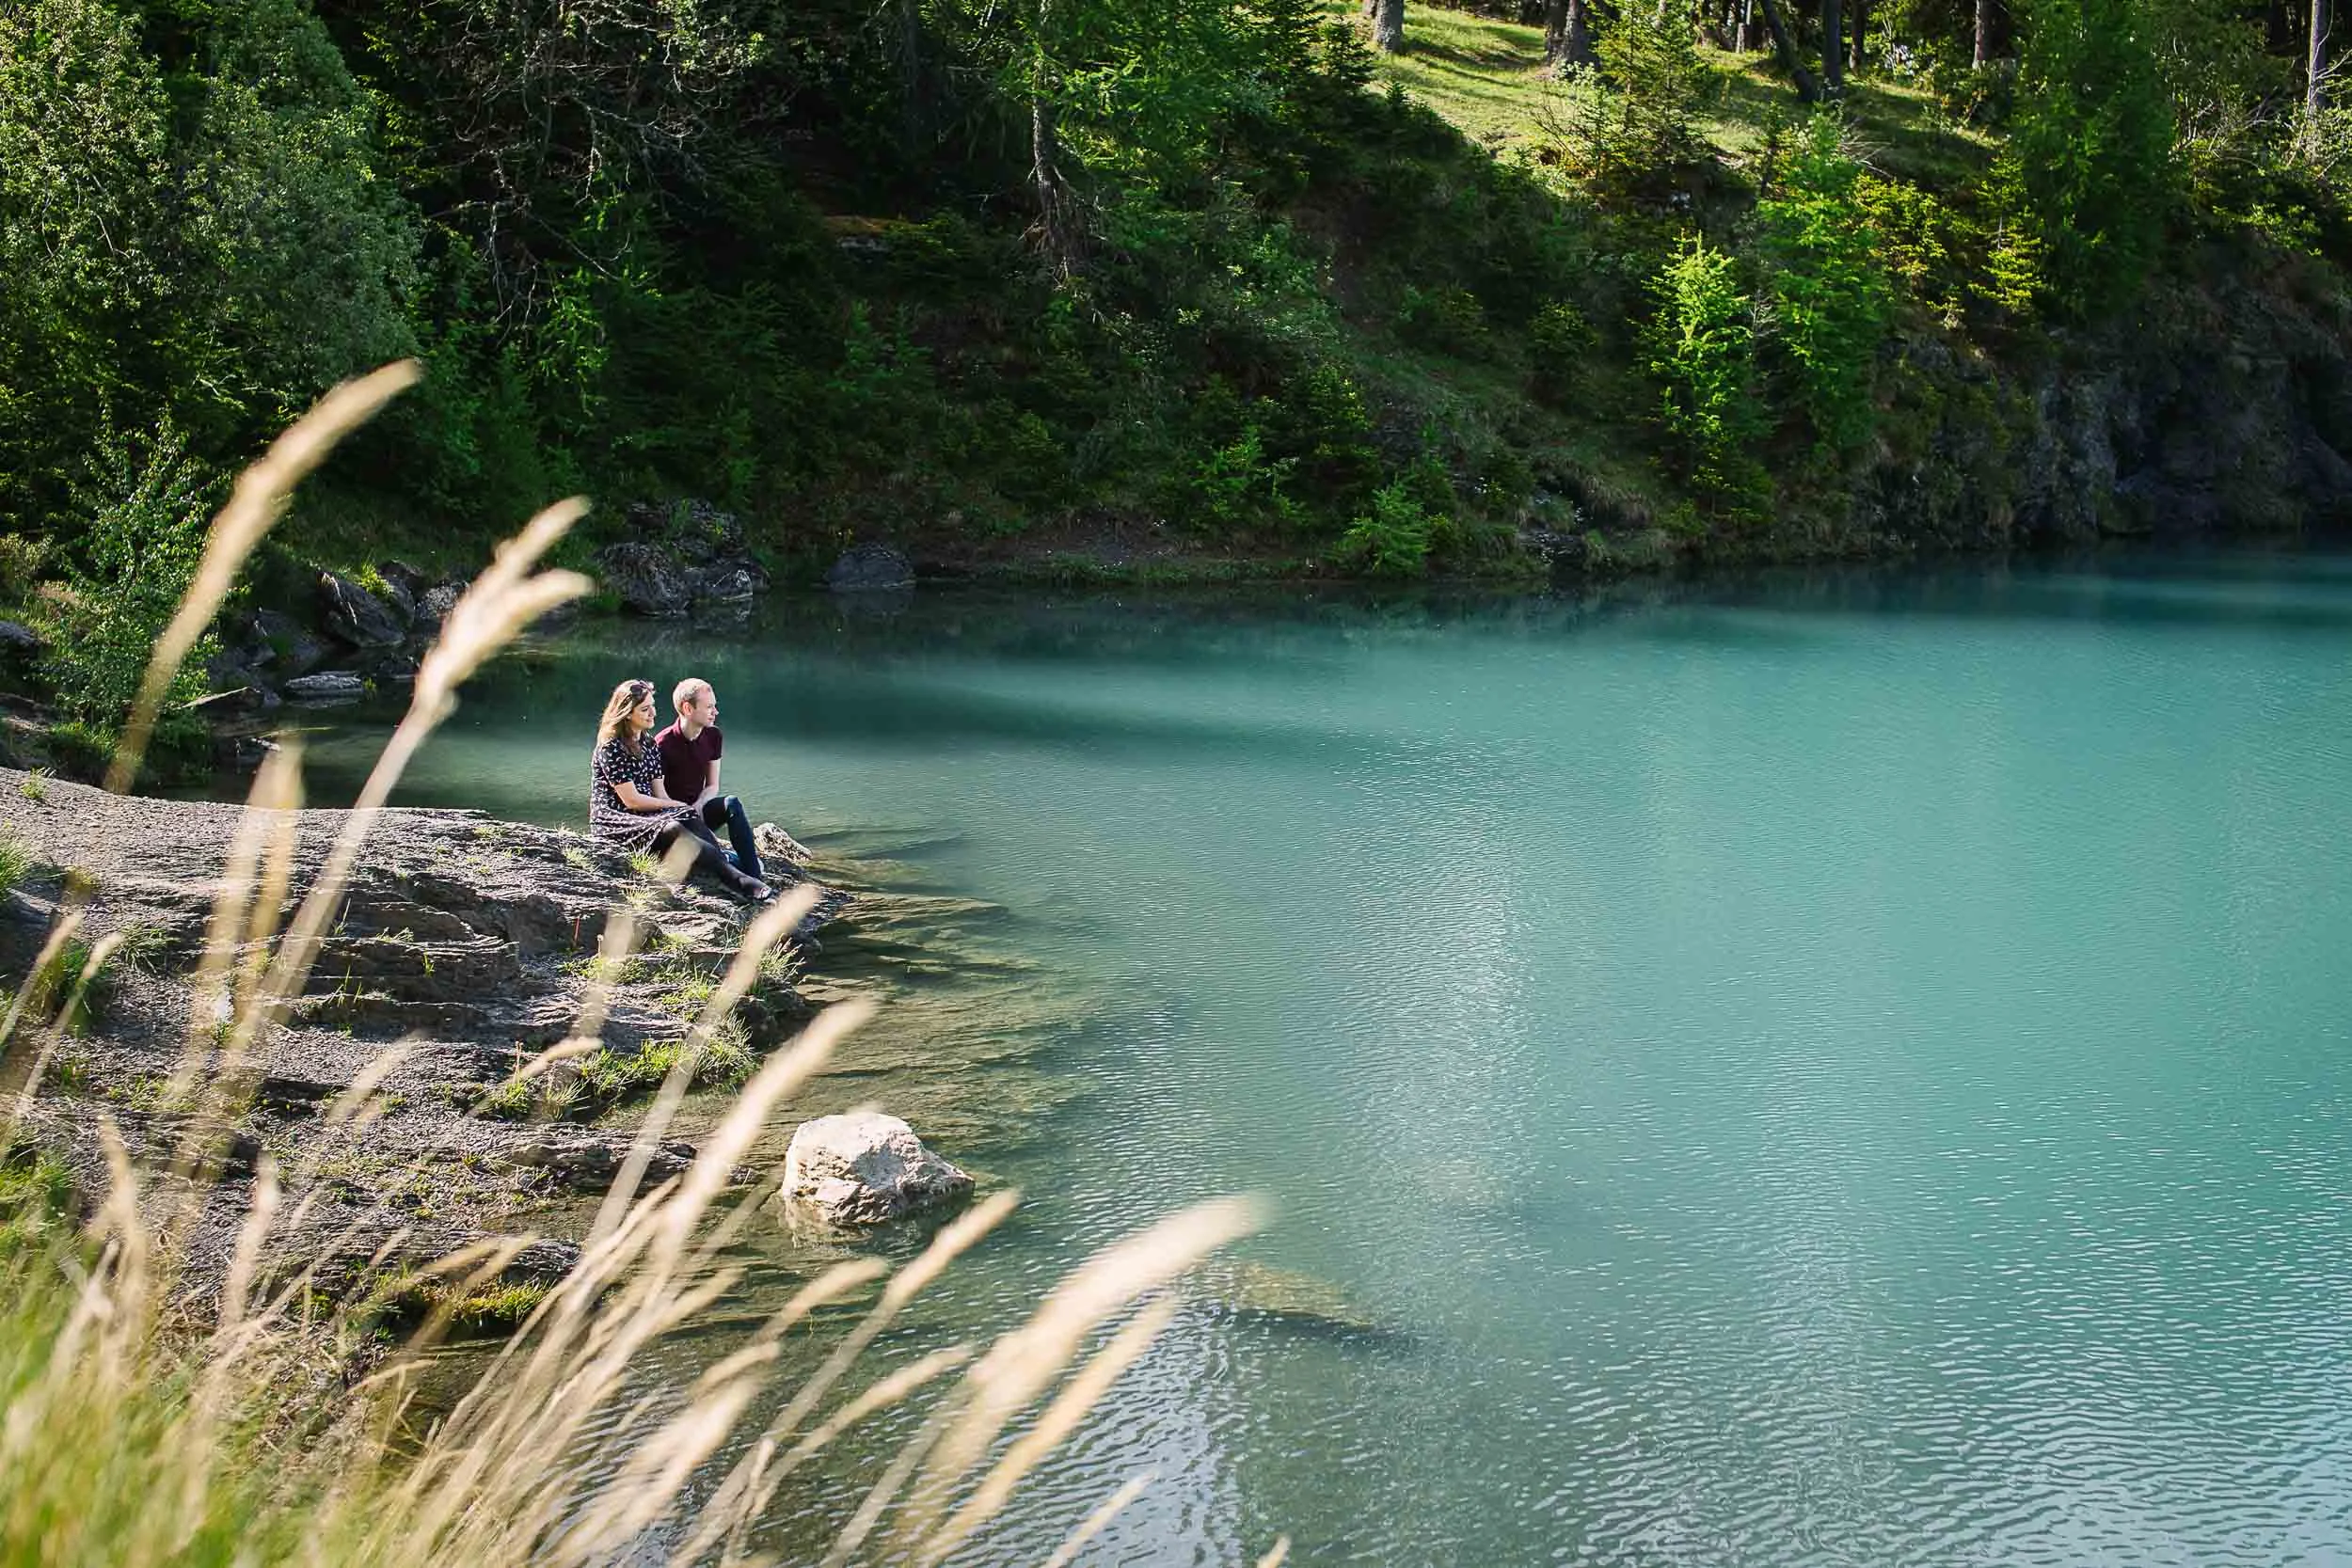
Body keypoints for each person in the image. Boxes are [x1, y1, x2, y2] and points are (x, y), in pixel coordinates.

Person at [589, 678, 772, 901]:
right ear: (627, 713)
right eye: (645, 709)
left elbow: (660, 794)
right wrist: (675, 806)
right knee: (673, 825)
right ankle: (736, 879)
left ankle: (732, 866)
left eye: (653, 707)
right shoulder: (612, 747)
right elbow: (632, 801)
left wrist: (681, 808)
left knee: (685, 815)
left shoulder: (648, 743)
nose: (653, 714)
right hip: (617, 819)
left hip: (645, 814)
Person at [654, 677, 763, 884]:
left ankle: (754, 874)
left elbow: (712, 785)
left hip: (699, 810)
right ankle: (734, 863)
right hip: (675, 821)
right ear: (687, 708)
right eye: (709, 707)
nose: (716, 712)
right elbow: (659, 796)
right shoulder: (661, 744)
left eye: (715, 706)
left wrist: (700, 804)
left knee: (731, 802)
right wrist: (686, 811)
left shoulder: (714, 736)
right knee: (717, 861)